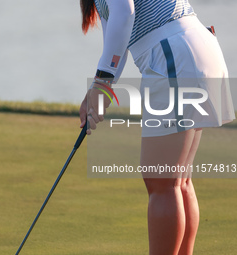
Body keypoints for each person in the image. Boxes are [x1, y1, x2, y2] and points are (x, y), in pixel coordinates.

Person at [79, 0, 235, 254]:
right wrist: (101, 90)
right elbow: (116, 37)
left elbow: (124, 12)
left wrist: (102, 83)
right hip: (191, 46)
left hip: (175, 53)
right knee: (177, 179)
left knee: (162, 180)